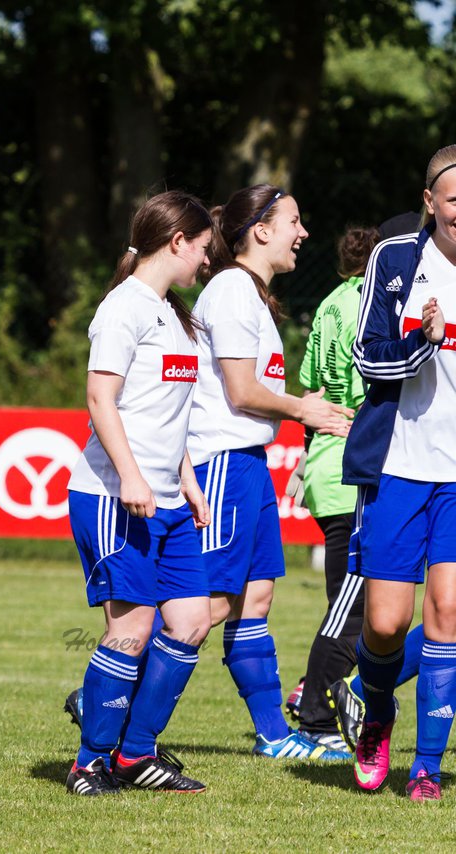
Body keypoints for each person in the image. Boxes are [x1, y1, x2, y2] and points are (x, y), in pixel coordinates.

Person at [187, 184, 352, 760]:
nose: (302, 233)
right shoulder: (232, 288)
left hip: (248, 465)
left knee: (255, 599)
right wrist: (304, 408)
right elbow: (240, 389)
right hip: (223, 465)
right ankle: (105, 693)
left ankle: (276, 737)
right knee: (206, 606)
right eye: (293, 222)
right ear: (259, 230)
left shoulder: (252, 295)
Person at [63, 191, 216, 796]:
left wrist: (186, 478)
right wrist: (129, 474)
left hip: (169, 502)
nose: (207, 260)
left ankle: (135, 755)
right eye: (204, 248)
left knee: (192, 621)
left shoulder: (175, 314)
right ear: (177, 242)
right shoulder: (123, 308)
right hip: (110, 495)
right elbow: (101, 397)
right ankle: (89, 761)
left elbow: (166, 413)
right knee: (132, 629)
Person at [344, 144, 456, 801]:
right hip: (399, 467)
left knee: (448, 610)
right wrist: (423, 342)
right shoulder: (397, 259)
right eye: (454, 200)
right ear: (430, 203)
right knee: (386, 623)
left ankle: (427, 768)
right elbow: (367, 358)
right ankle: (376, 714)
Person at [282, 226, 378, 749]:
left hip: (325, 465)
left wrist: (302, 461)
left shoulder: (327, 306)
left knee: (348, 604)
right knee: (352, 606)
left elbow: (313, 391)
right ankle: (315, 710)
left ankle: (312, 693)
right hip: (355, 472)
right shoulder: (382, 304)